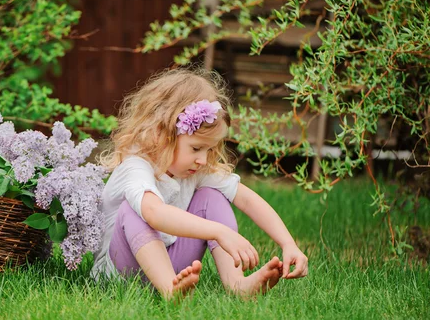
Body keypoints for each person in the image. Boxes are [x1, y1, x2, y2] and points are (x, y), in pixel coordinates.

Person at [91, 67, 308, 299]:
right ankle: (169, 290)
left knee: (212, 196)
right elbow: (154, 213)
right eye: (196, 148)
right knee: (135, 210)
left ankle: (237, 285)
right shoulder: (135, 166)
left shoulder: (193, 167)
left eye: (210, 149)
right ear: (162, 135)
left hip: (170, 263)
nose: (203, 159)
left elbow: (245, 198)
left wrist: (288, 244)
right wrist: (219, 231)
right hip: (119, 273)